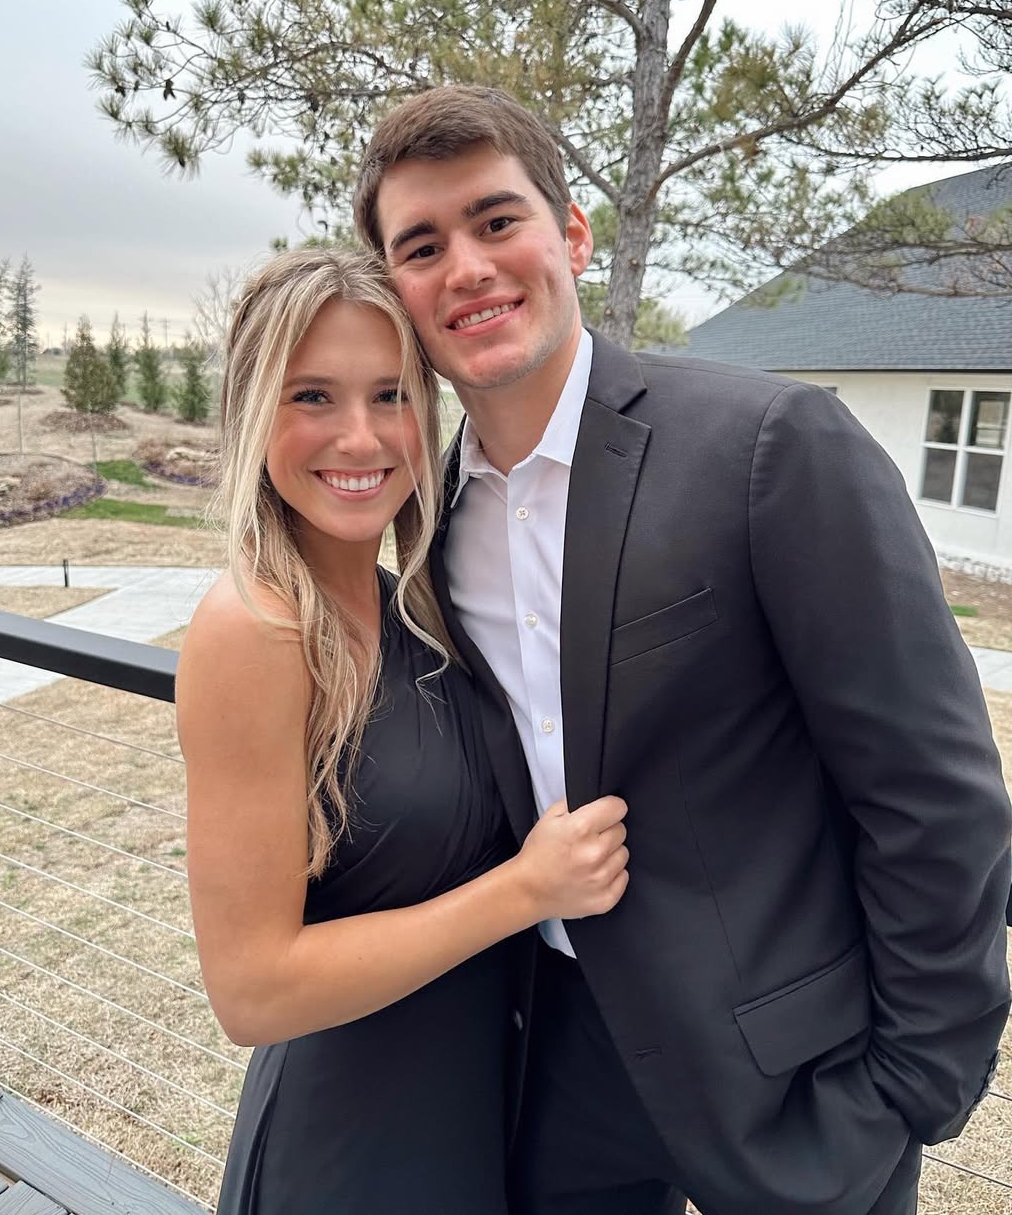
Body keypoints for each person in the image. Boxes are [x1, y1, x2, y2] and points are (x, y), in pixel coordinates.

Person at [352, 86, 1012, 1215]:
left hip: (800, 1088)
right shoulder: (430, 524)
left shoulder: (770, 445)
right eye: (422, 246)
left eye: (496, 220)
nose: (466, 266)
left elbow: (934, 791)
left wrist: (914, 1087)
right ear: (396, 291)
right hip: (557, 1071)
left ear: (571, 235)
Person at [175, 247, 631, 1214]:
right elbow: (250, 991)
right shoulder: (256, 628)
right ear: (253, 415)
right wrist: (527, 889)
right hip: (356, 1150)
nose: (361, 436)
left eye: (390, 395)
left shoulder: (412, 606)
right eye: (312, 397)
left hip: (474, 1113)